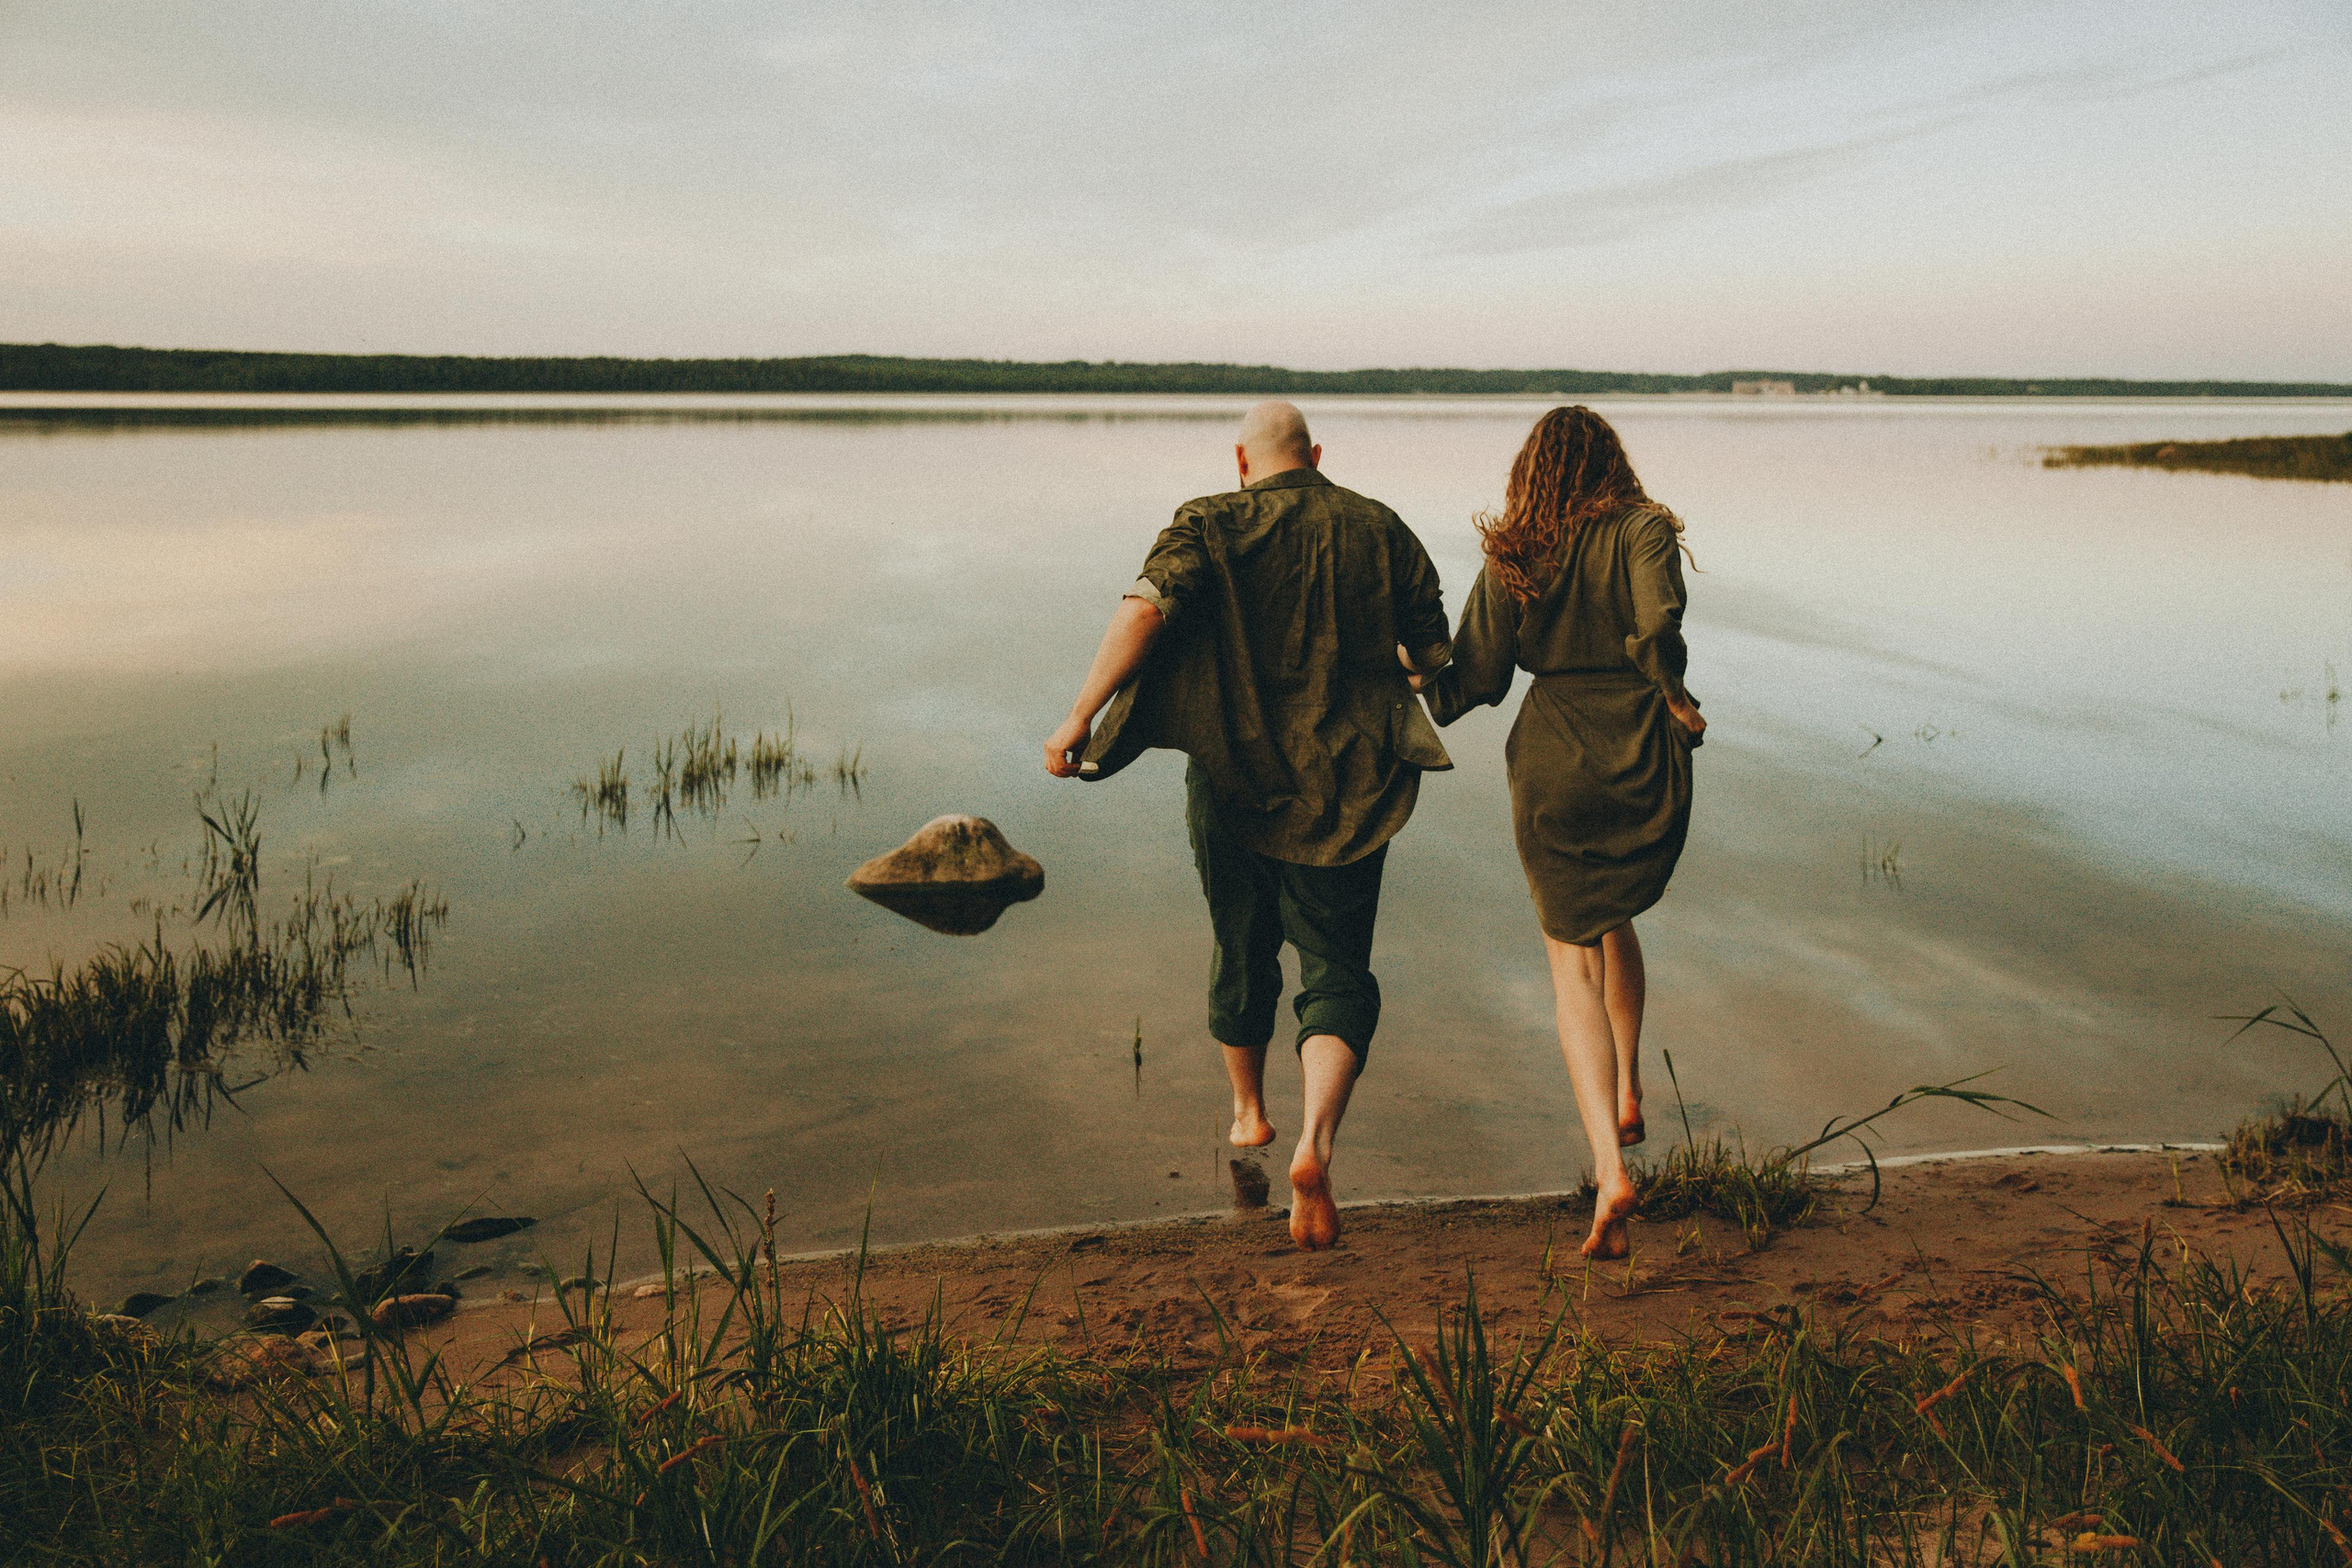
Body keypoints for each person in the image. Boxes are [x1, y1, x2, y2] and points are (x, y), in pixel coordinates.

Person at [1044, 400, 1453, 1250]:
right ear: (1316, 454)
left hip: (1231, 779)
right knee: (1336, 969)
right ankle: (1316, 1143)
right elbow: (1429, 653)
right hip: (1350, 789)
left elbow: (1145, 610)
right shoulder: (1382, 528)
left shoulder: (1208, 522)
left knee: (1240, 945)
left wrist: (1079, 715)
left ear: (1241, 460)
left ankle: (1250, 1115)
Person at [1419, 406, 1702, 1261]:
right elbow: (1657, 625)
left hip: (1552, 758)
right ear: (1612, 462)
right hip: (1638, 746)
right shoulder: (1646, 528)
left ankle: (1611, 1167)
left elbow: (1474, 674)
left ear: (1532, 471)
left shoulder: (1517, 550)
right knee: (1614, 913)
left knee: (1572, 958)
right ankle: (1627, 1083)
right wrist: (1676, 696)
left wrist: (1408, 673)